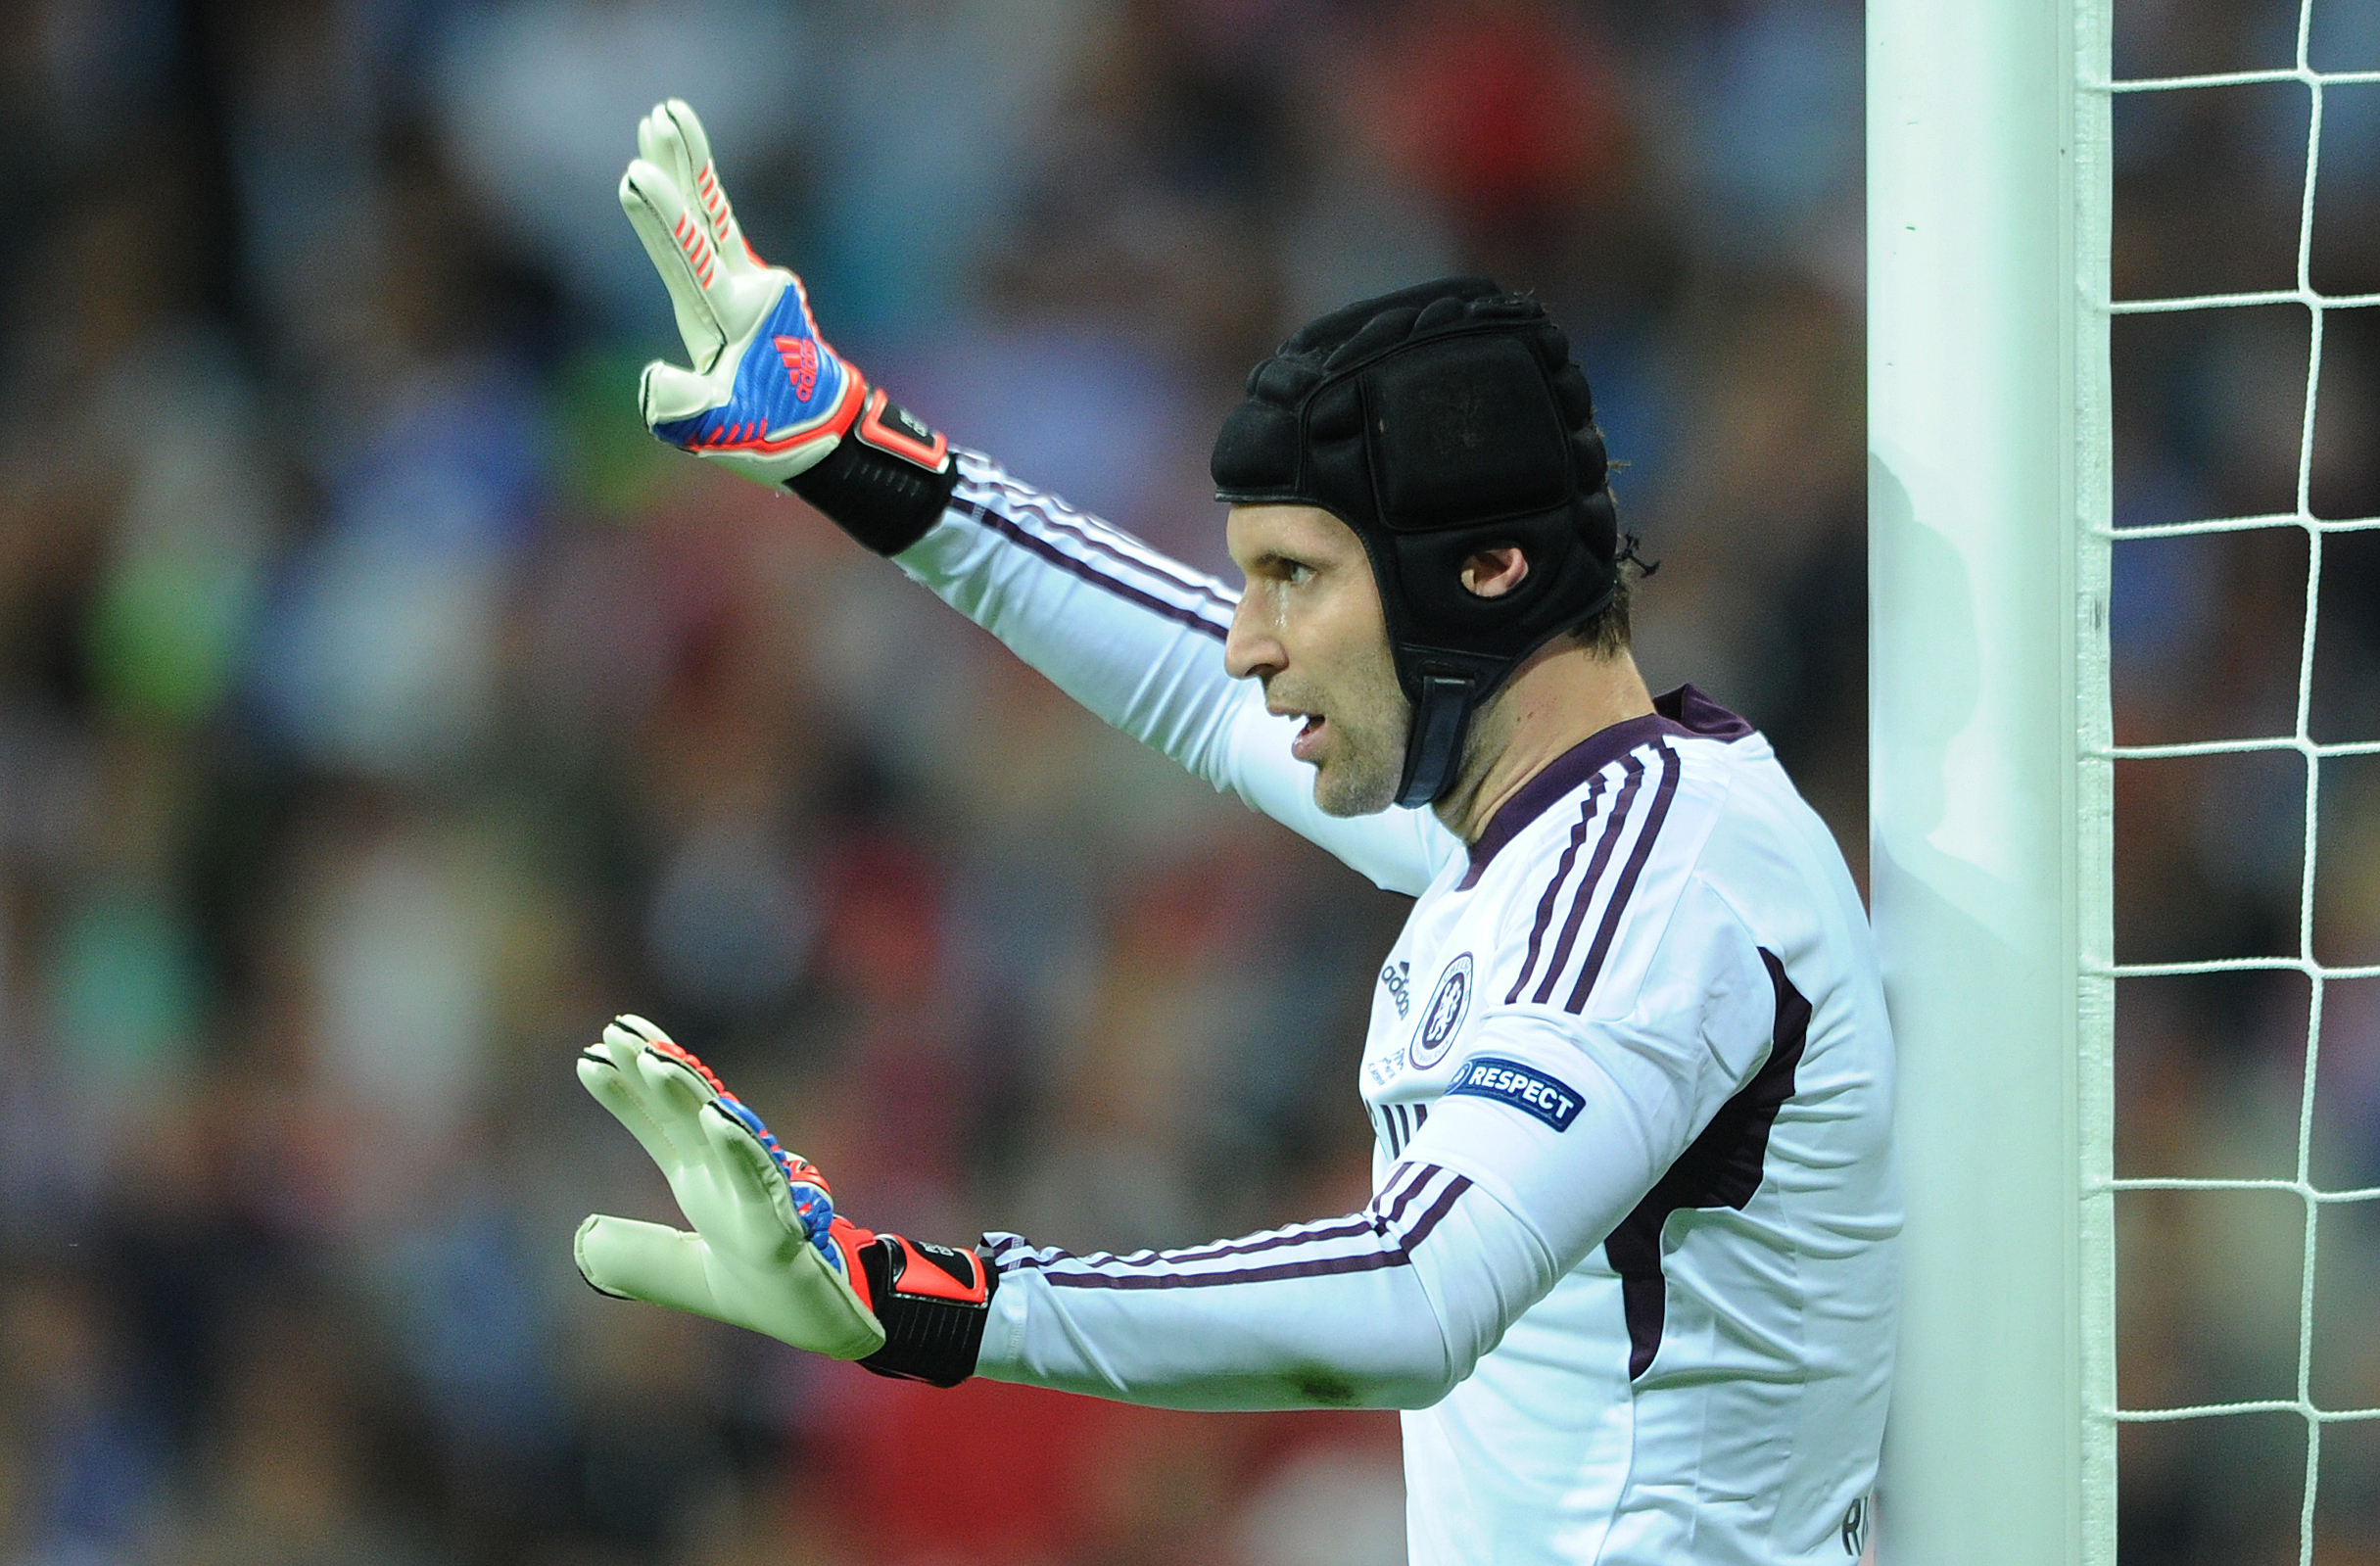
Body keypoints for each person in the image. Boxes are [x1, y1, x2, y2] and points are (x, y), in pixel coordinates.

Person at [575, 100, 1899, 1565]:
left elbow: (1412, 1297)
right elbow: (1179, 677)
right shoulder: (1543, 831)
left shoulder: (1657, 887)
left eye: (1292, 578)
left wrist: (933, 1302)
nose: (1247, 645)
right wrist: (852, 448)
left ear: (1486, 573)